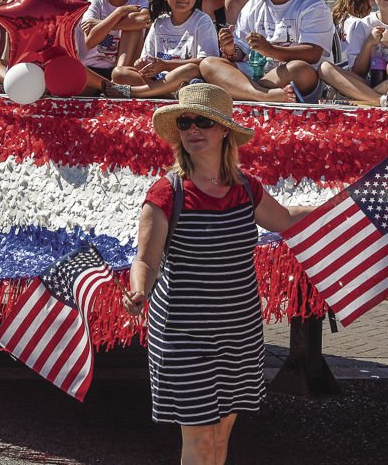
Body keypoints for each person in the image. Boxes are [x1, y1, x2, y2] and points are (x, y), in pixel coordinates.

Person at [125, 83, 312, 465]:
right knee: (200, 438)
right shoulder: (167, 192)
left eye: (203, 122)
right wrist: (138, 290)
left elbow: (285, 219)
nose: (193, 129)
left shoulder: (246, 188)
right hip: (183, 333)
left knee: (221, 438)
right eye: (186, 122)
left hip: (239, 331)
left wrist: (340, 204)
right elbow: (145, 259)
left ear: (224, 129)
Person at [199, 0, 334, 103]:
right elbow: (241, 52)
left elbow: (313, 54)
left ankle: (243, 92)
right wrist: (230, 49)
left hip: (290, 76)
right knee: (208, 64)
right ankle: (264, 96)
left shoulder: (312, 4)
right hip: (257, 77)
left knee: (299, 68)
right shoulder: (255, 3)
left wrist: (269, 50)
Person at [111, 0, 219, 98]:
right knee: (119, 73)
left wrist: (166, 65)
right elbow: (148, 59)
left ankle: (137, 92)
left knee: (190, 69)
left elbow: (206, 63)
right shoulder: (159, 22)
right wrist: (142, 63)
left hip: (186, 80)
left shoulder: (202, 20)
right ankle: (167, 94)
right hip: (159, 80)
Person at [77, 0, 149, 93]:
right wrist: (119, 13)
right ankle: (108, 87)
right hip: (92, 69)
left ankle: (116, 82)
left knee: (134, 27)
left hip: (121, 70)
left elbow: (143, 20)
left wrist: (100, 24)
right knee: (68, 69)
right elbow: (89, 41)